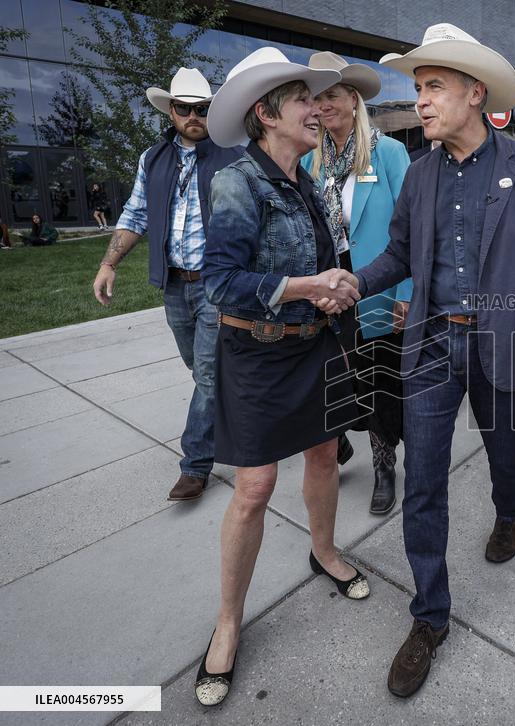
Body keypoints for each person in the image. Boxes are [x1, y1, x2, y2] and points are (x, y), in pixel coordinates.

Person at [351, 23, 515, 698]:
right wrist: (351, 283)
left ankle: (510, 511)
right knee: (423, 480)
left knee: (507, 454)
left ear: (475, 94)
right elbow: (397, 257)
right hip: (431, 345)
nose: (421, 101)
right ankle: (429, 616)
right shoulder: (417, 176)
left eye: (435, 87)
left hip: (502, 342)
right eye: (418, 89)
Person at [196, 47, 366, 707]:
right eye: (302, 99)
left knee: (325, 453)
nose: (317, 108)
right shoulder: (238, 182)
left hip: (311, 345)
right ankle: (229, 622)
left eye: (318, 99)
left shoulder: (309, 178)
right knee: (255, 488)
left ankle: (323, 551)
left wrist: (328, 294)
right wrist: (305, 285)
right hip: (257, 354)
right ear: (266, 114)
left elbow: (323, 259)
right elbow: (221, 284)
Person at [92, 67, 241, 502]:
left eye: (202, 108)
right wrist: (108, 265)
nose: (193, 115)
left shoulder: (234, 155)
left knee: (210, 376)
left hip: (217, 284)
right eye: (184, 108)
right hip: (174, 286)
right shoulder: (152, 159)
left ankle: (195, 465)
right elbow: (136, 215)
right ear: (170, 110)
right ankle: (280, 418)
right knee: (203, 371)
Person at [301, 52, 412, 515]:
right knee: (332, 372)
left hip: (379, 284)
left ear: (353, 101)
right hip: (329, 287)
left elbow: (412, 231)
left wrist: (406, 294)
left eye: (331, 96)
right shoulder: (312, 159)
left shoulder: (387, 152)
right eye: (316, 98)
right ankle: (339, 442)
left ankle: (384, 463)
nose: (322, 106)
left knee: (378, 376)